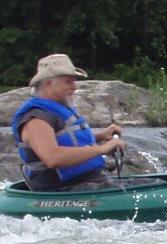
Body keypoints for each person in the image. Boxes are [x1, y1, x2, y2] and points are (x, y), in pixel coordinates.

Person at [12, 53, 135, 192]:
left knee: (157, 183)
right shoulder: (36, 119)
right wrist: (102, 149)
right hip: (63, 189)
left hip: (89, 182)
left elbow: (62, 140)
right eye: (68, 81)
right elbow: (53, 157)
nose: (75, 87)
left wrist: (100, 136)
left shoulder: (54, 111)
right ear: (48, 84)